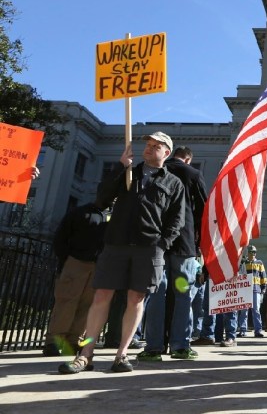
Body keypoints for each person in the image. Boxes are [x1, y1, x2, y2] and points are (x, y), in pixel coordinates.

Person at [58, 131, 185, 374]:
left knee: (136, 300)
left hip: (149, 248)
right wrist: (119, 167)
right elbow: (102, 199)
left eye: (155, 146)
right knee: (100, 297)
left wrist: (162, 245)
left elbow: (176, 221)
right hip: (116, 244)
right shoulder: (128, 172)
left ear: (166, 153)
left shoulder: (173, 183)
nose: (148, 148)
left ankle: (121, 354)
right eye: (147, 144)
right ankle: (85, 353)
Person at [138, 146, 207, 362]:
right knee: (183, 294)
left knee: (157, 293)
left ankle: (154, 346)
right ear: (188, 159)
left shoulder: (154, 170)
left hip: (156, 240)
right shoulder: (193, 174)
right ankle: (180, 345)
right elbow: (203, 209)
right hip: (183, 242)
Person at [43, 200, 110, 357]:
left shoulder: (113, 216)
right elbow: (60, 238)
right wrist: (67, 260)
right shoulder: (80, 212)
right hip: (75, 261)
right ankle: (54, 342)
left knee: (87, 304)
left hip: (98, 265)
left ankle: (74, 341)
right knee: (66, 302)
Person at [239, 246, 267, 338]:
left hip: (256, 290)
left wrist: (263, 289)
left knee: (256, 310)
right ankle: (243, 330)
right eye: (251, 252)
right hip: (245, 290)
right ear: (248, 253)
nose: (253, 254)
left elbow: (263, 276)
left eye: (254, 252)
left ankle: (258, 331)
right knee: (244, 311)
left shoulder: (259, 263)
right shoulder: (244, 262)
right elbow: (240, 275)